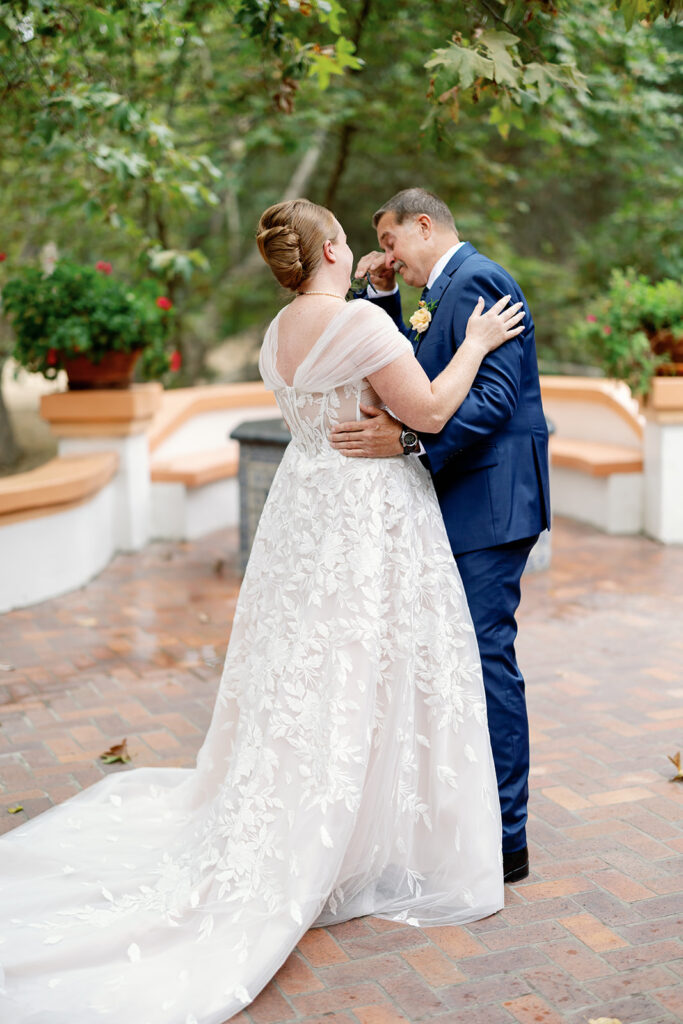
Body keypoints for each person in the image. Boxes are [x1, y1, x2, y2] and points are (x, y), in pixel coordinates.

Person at [0, 198, 524, 1024]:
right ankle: (364, 830)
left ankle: (322, 811)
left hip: (304, 514)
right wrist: (474, 343)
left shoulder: (277, 334)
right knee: (369, 667)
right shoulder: (361, 324)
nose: (360, 248)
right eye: (348, 239)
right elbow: (425, 411)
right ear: (329, 251)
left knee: (307, 669)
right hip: (366, 515)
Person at [330, 188, 551, 884]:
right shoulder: (439, 288)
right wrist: (383, 297)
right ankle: (470, 819)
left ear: (423, 226)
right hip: (463, 496)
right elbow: (416, 371)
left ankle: (508, 838)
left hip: (490, 499)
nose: (387, 255)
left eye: (391, 242)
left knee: (484, 658)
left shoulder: (480, 279)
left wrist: (408, 444)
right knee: (456, 657)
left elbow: (493, 399)